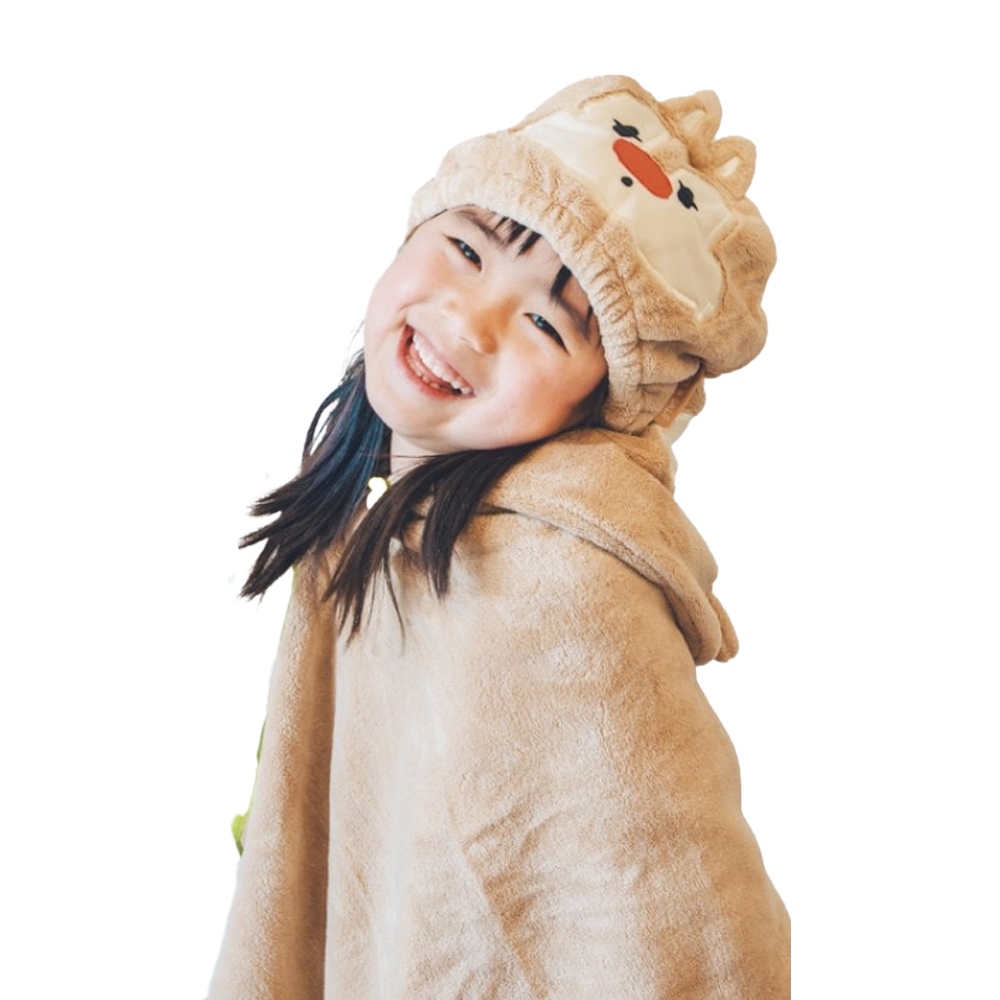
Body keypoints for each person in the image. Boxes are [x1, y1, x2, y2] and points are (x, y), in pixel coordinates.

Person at [208, 75, 790, 999]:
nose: (469, 323)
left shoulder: (559, 588)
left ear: (600, 405)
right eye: (469, 247)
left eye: (545, 324)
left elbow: (695, 929)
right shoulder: (388, 516)